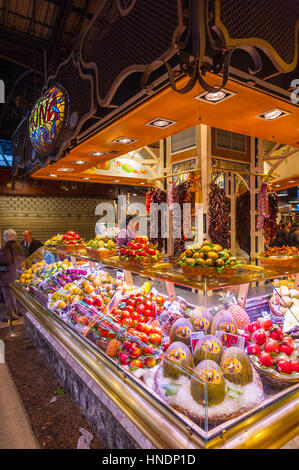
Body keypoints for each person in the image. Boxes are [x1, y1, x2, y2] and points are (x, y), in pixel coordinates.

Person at [0, 229, 25, 322]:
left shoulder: (7, 246)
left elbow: (6, 259)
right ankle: (19, 311)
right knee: (16, 295)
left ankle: (12, 316)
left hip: (7, 276)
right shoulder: (19, 245)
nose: (3, 238)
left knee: (9, 295)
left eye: (4, 236)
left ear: (7, 237)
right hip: (17, 274)